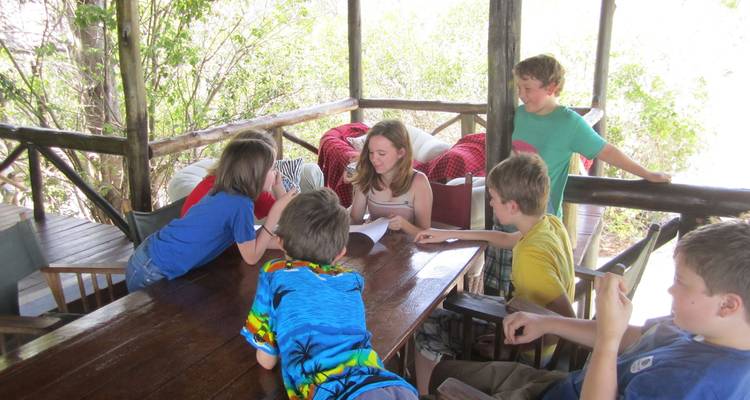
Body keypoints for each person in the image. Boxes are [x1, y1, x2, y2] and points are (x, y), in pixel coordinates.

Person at [428, 220, 750, 399]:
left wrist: (608, 341)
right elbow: (632, 337)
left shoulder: (695, 385)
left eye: (681, 282)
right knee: (441, 372)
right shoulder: (700, 327)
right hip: (554, 384)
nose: (670, 289)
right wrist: (548, 323)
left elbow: (614, 339)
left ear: (727, 305)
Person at [485, 54, 672, 297]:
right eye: (519, 87)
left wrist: (646, 173)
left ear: (551, 87)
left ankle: (538, 327)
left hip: (540, 210)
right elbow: (517, 155)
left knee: (535, 279)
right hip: (508, 201)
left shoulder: (569, 123)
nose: (521, 94)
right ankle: (502, 323)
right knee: (506, 272)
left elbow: (606, 150)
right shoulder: (521, 114)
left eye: (528, 88)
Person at [412, 153, 575, 394]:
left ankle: (426, 393)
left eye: (493, 198)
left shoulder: (531, 258)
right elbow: (507, 239)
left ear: (512, 206)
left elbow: (566, 323)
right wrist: (448, 234)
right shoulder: (547, 224)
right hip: (522, 326)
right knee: (444, 311)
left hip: (531, 352)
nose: (490, 203)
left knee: (427, 323)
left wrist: (510, 347)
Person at [241, 188, 418, 400]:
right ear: (341, 253)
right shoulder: (352, 281)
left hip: (332, 393)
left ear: (280, 242)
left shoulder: (274, 274)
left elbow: (266, 360)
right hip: (387, 386)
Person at [126, 139, 297, 292]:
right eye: (272, 168)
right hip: (151, 270)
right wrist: (274, 212)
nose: (277, 174)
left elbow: (249, 242)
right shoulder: (239, 204)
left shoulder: (231, 195)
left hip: (152, 259)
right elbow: (251, 257)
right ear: (256, 173)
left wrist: (281, 241)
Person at [179, 129, 324, 219]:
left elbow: (287, 213)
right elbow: (288, 217)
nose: (276, 172)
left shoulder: (242, 183)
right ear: (253, 168)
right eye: (272, 167)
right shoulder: (230, 195)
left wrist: (278, 185)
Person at [349, 119, 433, 236]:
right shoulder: (367, 177)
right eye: (371, 152)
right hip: (374, 250)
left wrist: (404, 225)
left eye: (381, 154)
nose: (374, 159)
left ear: (401, 153)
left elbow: (426, 234)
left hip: (410, 252)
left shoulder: (418, 182)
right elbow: (355, 220)